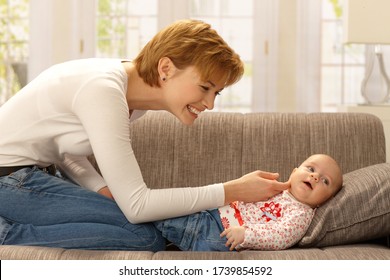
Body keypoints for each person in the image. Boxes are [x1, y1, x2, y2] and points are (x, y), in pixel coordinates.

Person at [0, 19, 289, 251]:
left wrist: (102, 190)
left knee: (143, 233)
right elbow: (138, 206)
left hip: (31, 176)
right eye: (205, 88)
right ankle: (6, 233)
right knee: (144, 236)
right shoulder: (103, 91)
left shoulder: (133, 100)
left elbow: (65, 148)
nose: (210, 103)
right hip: (9, 180)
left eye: (216, 93)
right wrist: (232, 190)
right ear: (166, 69)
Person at [153, 154, 343, 251]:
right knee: (171, 215)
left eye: (325, 181)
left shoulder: (301, 214)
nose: (315, 176)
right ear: (293, 172)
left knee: (165, 216)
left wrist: (247, 235)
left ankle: (148, 210)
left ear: (326, 201)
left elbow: (280, 236)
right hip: (213, 216)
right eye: (310, 168)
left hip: (223, 235)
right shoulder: (277, 189)